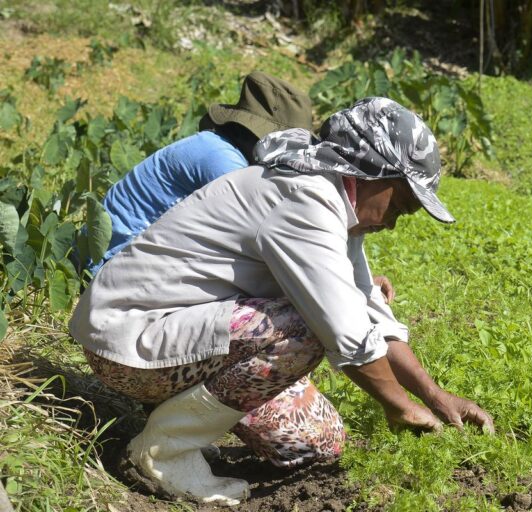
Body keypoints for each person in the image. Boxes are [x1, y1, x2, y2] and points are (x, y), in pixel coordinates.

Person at [69, 97, 494, 505]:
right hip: (128, 342)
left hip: (177, 338)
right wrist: (400, 408)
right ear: (368, 172)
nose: (392, 223)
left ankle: (175, 422)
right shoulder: (306, 199)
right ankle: (163, 453)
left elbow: (369, 310)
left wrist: (437, 398)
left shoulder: (335, 203)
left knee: (314, 443)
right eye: (398, 205)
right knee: (306, 328)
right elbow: (346, 333)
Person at [86, 71, 314, 275]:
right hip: (110, 263)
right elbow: (254, 231)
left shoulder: (218, 147)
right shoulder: (222, 160)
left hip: (114, 254)